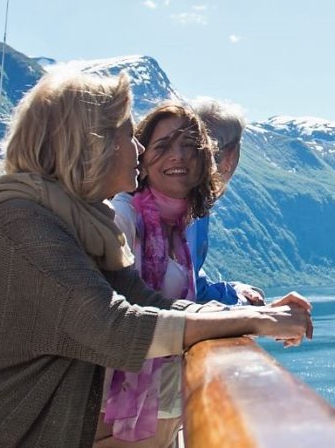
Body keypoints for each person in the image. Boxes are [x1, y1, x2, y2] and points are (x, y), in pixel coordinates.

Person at [0, 71, 312, 448]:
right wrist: (260, 319)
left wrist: (252, 314)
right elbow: (113, 325)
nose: (138, 149)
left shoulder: (83, 223)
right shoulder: (23, 223)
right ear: (88, 144)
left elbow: (147, 301)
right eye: (125, 134)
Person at [98, 102, 218, 446]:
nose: (178, 156)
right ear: (142, 158)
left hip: (162, 411)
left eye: (188, 146)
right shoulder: (123, 218)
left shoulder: (179, 228)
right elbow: (116, 316)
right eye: (163, 146)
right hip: (112, 415)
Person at [187, 98, 264, 305]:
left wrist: (235, 289)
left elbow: (190, 280)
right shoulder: (188, 205)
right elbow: (189, 290)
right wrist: (242, 302)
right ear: (231, 156)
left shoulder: (188, 197)